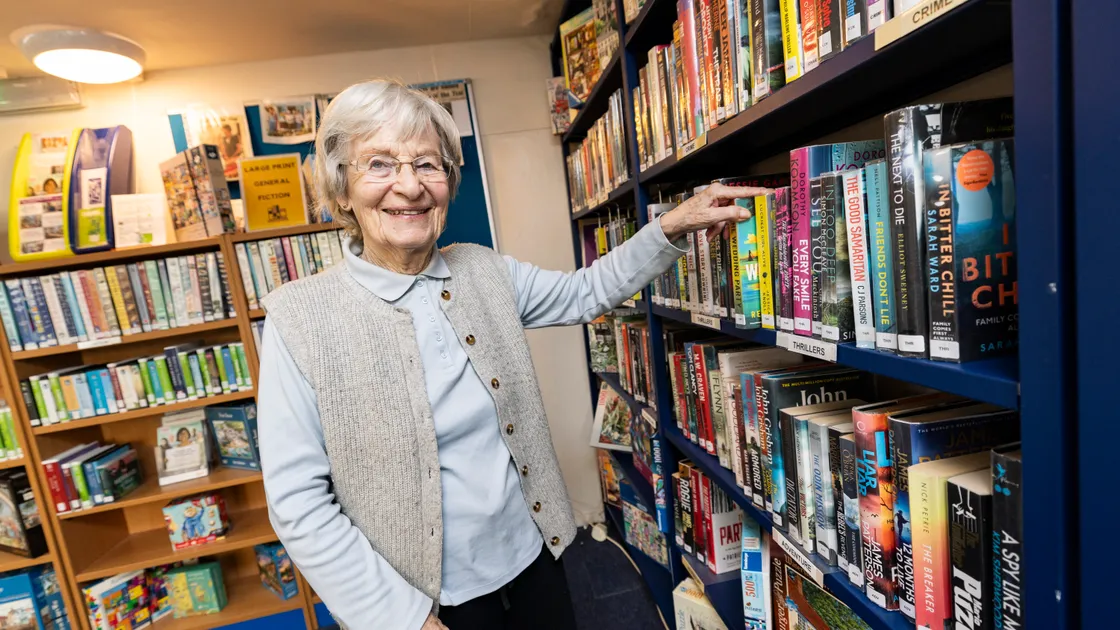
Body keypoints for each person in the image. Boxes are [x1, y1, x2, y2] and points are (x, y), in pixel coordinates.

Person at [257, 78, 767, 630]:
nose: (409, 186)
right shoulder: (300, 318)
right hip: (424, 601)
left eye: (427, 164)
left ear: (448, 183)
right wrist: (400, 618)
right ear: (341, 190)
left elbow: (585, 292)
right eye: (379, 164)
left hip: (533, 556)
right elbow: (298, 502)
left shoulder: (483, 269)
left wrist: (671, 225)